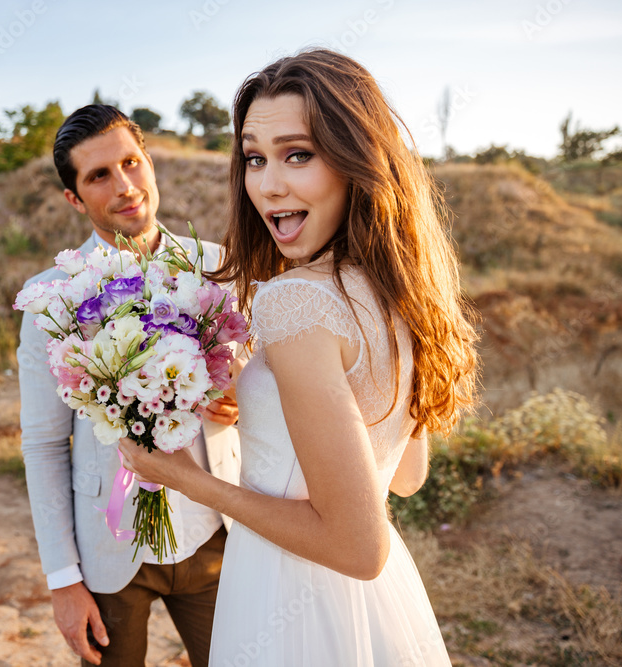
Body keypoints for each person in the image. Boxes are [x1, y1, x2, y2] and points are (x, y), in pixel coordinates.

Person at [119, 49, 479, 665]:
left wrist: (189, 481)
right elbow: (404, 476)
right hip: (378, 607)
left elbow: (358, 548)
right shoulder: (399, 292)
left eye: (298, 154)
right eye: (255, 158)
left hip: (293, 593)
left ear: (357, 161)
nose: (268, 184)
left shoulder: (291, 302)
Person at [17, 104, 242, 667]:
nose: (124, 186)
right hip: (110, 553)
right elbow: (44, 444)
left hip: (219, 533)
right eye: (99, 176)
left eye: (131, 162)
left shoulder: (217, 267)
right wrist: (62, 579)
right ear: (75, 198)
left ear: (149, 163)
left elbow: (263, 382)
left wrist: (240, 399)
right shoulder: (54, 298)